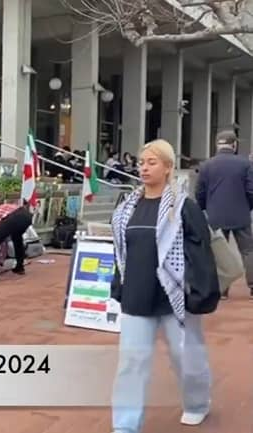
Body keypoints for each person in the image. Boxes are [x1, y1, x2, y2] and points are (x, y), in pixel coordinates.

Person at [111, 139, 218, 433]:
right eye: (141, 163)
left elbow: (200, 251)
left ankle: (197, 404)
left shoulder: (184, 207)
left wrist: (200, 292)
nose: (144, 168)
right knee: (131, 362)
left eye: (152, 162)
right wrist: (118, 284)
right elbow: (121, 252)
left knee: (187, 358)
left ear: (168, 167)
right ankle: (125, 424)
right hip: (136, 295)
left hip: (175, 297)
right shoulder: (126, 208)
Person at [195, 129, 253, 299]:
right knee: (248, 251)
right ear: (234, 145)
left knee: (218, 252)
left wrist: (205, 208)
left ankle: (222, 289)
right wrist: (248, 207)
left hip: (216, 214)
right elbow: (251, 190)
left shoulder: (206, 165)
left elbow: (199, 192)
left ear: (217, 145)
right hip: (241, 213)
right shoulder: (245, 164)